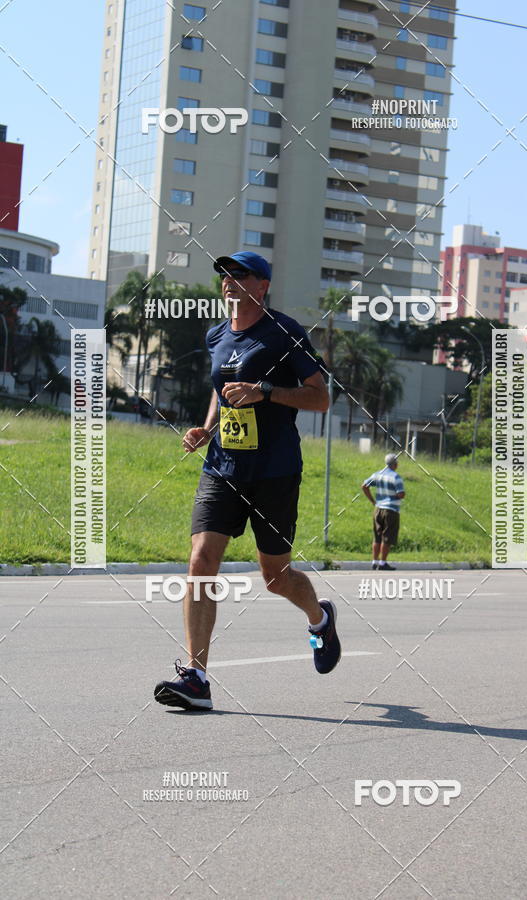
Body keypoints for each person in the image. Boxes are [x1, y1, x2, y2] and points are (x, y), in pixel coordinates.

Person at [154, 251, 341, 710]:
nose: (229, 281)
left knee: (275, 576)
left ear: (262, 286)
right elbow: (221, 392)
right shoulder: (216, 334)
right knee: (200, 559)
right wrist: (207, 428)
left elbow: (321, 399)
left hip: (274, 471)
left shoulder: (284, 332)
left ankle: (319, 620)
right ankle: (196, 677)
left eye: (240, 275)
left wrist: (267, 392)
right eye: (224, 274)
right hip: (223, 467)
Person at [361, 453, 405, 571]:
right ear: (395, 464)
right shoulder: (396, 477)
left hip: (378, 509)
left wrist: (373, 501)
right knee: (387, 537)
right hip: (391, 510)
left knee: (377, 536)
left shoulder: (377, 475)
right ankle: (383, 562)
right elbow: (401, 494)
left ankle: (374, 561)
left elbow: (364, 486)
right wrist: (396, 496)